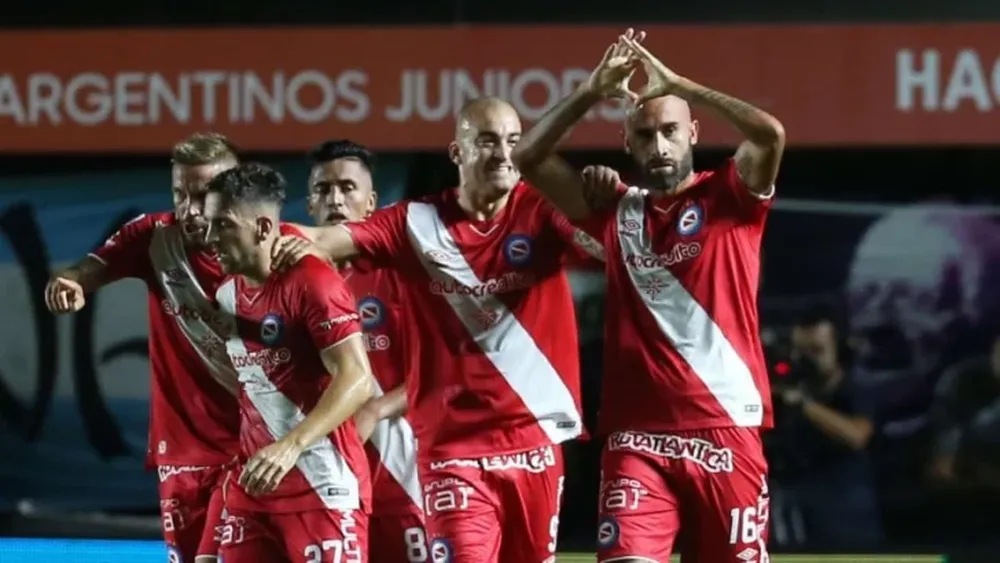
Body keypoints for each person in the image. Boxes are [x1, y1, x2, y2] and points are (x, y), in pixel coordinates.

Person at [271, 98, 604, 562]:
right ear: (457, 153)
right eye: (486, 141)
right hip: (453, 451)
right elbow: (324, 238)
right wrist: (247, 231)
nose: (501, 154)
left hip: (534, 441)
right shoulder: (414, 224)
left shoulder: (543, 215)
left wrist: (604, 204)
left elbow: (611, 244)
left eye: (512, 142)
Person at [511, 29, 785, 563]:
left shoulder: (731, 196)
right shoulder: (615, 210)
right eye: (644, 135)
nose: (658, 145)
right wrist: (591, 92)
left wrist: (682, 84)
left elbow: (770, 134)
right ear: (627, 144)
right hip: (637, 438)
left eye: (670, 131)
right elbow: (528, 155)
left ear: (692, 134)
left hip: (725, 427)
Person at [43, 133, 242, 563]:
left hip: (254, 447)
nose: (189, 209)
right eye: (179, 194)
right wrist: (72, 282)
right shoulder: (153, 237)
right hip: (182, 449)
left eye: (202, 195)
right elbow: (90, 268)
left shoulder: (266, 252)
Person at [203, 163, 374, 563]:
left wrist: (290, 446)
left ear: (263, 229)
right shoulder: (226, 294)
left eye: (223, 225)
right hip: (254, 492)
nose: (210, 238)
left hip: (322, 486)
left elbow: (357, 377)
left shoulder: (313, 282)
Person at [305, 139, 427, 562]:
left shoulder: (400, 277)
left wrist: (376, 409)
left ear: (372, 202)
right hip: (325, 485)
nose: (335, 199)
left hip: (401, 480)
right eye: (323, 190)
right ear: (308, 205)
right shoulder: (291, 286)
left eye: (347, 188)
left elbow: (441, 372)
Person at [769, 305, 882, 549]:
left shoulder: (857, 386)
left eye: (817, 351)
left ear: (838, 350)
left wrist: (805, 406)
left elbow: (857, 435)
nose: (806, 359)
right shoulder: (789, 388)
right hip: (796, 504)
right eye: (800, 352)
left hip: (845, 508)